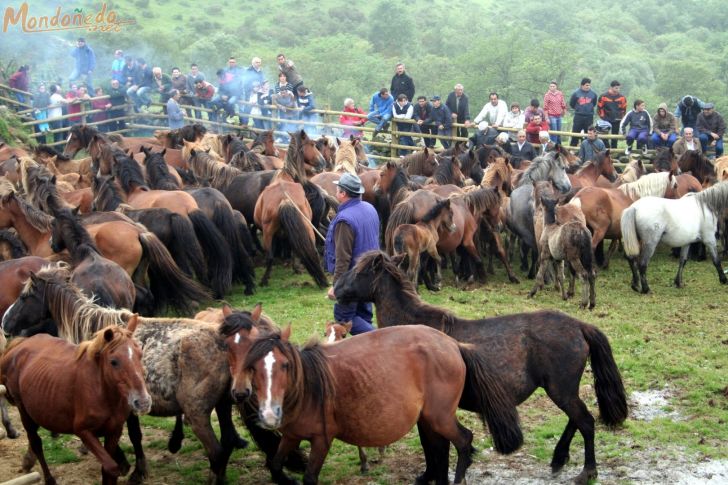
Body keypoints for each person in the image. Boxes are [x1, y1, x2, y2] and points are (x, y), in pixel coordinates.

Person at [324, 173, 380, 335]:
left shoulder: (344, 220)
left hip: (352, 281)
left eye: (338, 188)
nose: (336, 190)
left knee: (343, 318)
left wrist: (337, 287)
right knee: (363, 316)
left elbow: (343, 259)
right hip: (370, 277)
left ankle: (379, 342)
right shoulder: (370, 209)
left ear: (343, 194)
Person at [597, 80, 627, 149]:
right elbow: (599, 107)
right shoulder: (603, 96)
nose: (618, 89)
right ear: (611, 87)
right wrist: (603, 117)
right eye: (616, 88)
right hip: (606, 119)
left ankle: (614, 150)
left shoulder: (622, 97)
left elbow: (624, 109)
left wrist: (621, 118)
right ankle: (606, 149)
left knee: (615, 136)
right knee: (604, 136)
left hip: (617, 119)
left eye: (619, 88)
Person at [568, 77, 598, 147]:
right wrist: (578, 109)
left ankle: (588, 148)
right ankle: (572, 149)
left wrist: (588, 109)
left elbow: (594, 103)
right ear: (582, 85)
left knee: (589, 134)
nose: (588, 87)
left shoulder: (593, 94)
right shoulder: (576, 93)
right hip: (578, 116)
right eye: (587, 85)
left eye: (589, 85)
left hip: (589, 116)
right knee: (575, 133)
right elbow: (572, 104)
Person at [241, 57, 264, 125]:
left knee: (257, 107)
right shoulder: (248, 70)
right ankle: (244, 123)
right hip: (249, 92)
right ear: (253, 63)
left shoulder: (260, 71)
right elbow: (245, 83)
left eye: (259, 62)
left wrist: (260, 89)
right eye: (257, 62)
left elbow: (262, 81)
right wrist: (252, 89)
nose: (258, 64)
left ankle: (257, 125)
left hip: (258, 92)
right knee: (248, 107)